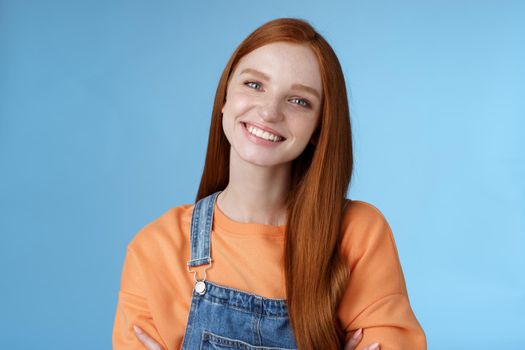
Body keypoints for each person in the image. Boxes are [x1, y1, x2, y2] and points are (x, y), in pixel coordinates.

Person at [112, 17, 426, 350]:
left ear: (320, 128)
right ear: (225, 97)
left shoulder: (357, 234)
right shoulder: (155, 249)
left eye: (299, 101)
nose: (269, 111)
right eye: (254, 85)